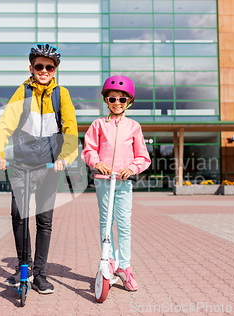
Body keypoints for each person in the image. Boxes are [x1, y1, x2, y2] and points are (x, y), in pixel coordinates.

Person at [0, 43, 78, 294]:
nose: (44, 70)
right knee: (19, 215)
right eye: (39, 66)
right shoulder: (22, 92)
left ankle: (39, 273)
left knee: (44, 221)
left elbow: (71, 130)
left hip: (50, 167)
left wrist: (64, 158)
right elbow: (4, 124)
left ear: (55, 70)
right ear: (31, 68)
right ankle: (23, 266)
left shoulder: (62, 95)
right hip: (20, 165)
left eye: (49, 67)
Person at [81, 76, 151, 291]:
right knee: (106, 221)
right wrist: (97, 162)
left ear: (129, 101)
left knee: (124, 223)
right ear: (106, 100)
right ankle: (108, 261)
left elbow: (143, 157)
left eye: (122, 99)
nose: (117, 103)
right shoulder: (98, 124)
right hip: (104, 181)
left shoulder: (133, 126)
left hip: (123, 181)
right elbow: (89, 150)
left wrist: (132, 168)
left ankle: (125, 266)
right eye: (112, 99)